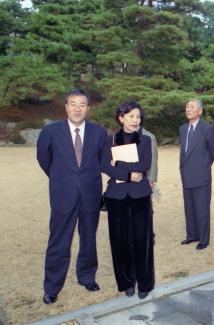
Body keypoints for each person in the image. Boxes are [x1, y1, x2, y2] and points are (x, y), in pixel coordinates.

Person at [36, 88, 107, 304]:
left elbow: (104, 162)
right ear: (66, 107)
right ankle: (52, 287)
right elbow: (44, 160)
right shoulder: (51, 132)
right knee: (59, 240)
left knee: (88, 238)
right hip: (63, 194)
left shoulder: (99, 133)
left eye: (82, 104)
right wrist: (61, 178)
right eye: (73, 104)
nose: (77, 108)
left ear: (88, 108)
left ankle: (86, 276)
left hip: (90, 194)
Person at [101, 101, 154, 299]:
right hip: (117, 196)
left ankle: (145, 283)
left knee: (143, 240)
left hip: (140, 196)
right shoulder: (110, 140)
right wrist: (129, 175)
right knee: (120, 241)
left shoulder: (145, 140)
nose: (136, 120)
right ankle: (126, 282)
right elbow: (104, 165)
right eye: (131, 116)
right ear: (121, 118)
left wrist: (120, 164)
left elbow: (144, 165)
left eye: (138, 116)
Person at [179, 99, 214, 250]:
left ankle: (203, 239)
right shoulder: (183, 128)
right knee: (189, 207)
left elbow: (213, 150)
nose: (188, 109)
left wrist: (204, 165)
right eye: (187, 106)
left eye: (192, 107)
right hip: (186, 173)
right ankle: (192, 235)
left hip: (201, 175)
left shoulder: (207, 128)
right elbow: (183, 152)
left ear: (200, 111)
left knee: (202, 209)